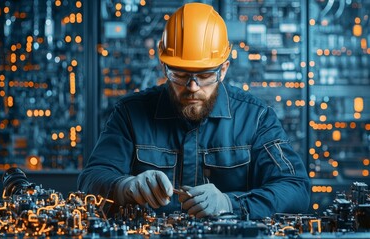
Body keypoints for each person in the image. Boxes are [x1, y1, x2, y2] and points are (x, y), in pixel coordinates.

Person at [78, 2, 310, 220]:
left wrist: (230, 204)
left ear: (224, 69)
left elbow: (295, 189)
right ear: (164, 67)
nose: (192, 87)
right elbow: (91, 179)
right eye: (179, 75)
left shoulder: (256, 118)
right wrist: (125, 187)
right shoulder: (130, 114)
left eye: (205, 75)